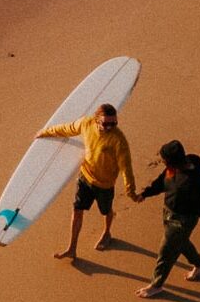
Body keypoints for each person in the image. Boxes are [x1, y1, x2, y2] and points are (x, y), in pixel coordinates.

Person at [38, 103, 137, 261]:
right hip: (85, 177)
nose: (110, 127)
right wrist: (45, 132)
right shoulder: (86, 123)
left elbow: (126, 167)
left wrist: (130, 190)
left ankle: (107, 232)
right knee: (77, 210)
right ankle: (72, 248)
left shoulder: (119, 140)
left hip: (105, 184)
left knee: (106, 211)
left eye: (114, 123)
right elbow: (67, 128)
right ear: (96, 120)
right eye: (106, 123)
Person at [134, 139, 200, 297]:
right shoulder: (172, 168)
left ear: (173, 161)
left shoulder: (193, 181)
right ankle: (199, 265)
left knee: (166, 252)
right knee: (180, 242)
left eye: (164, 159)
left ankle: (156, 285)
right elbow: (161, 182)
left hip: (182, 220)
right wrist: (145, 194)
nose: (162, 162)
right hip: (168, 212)